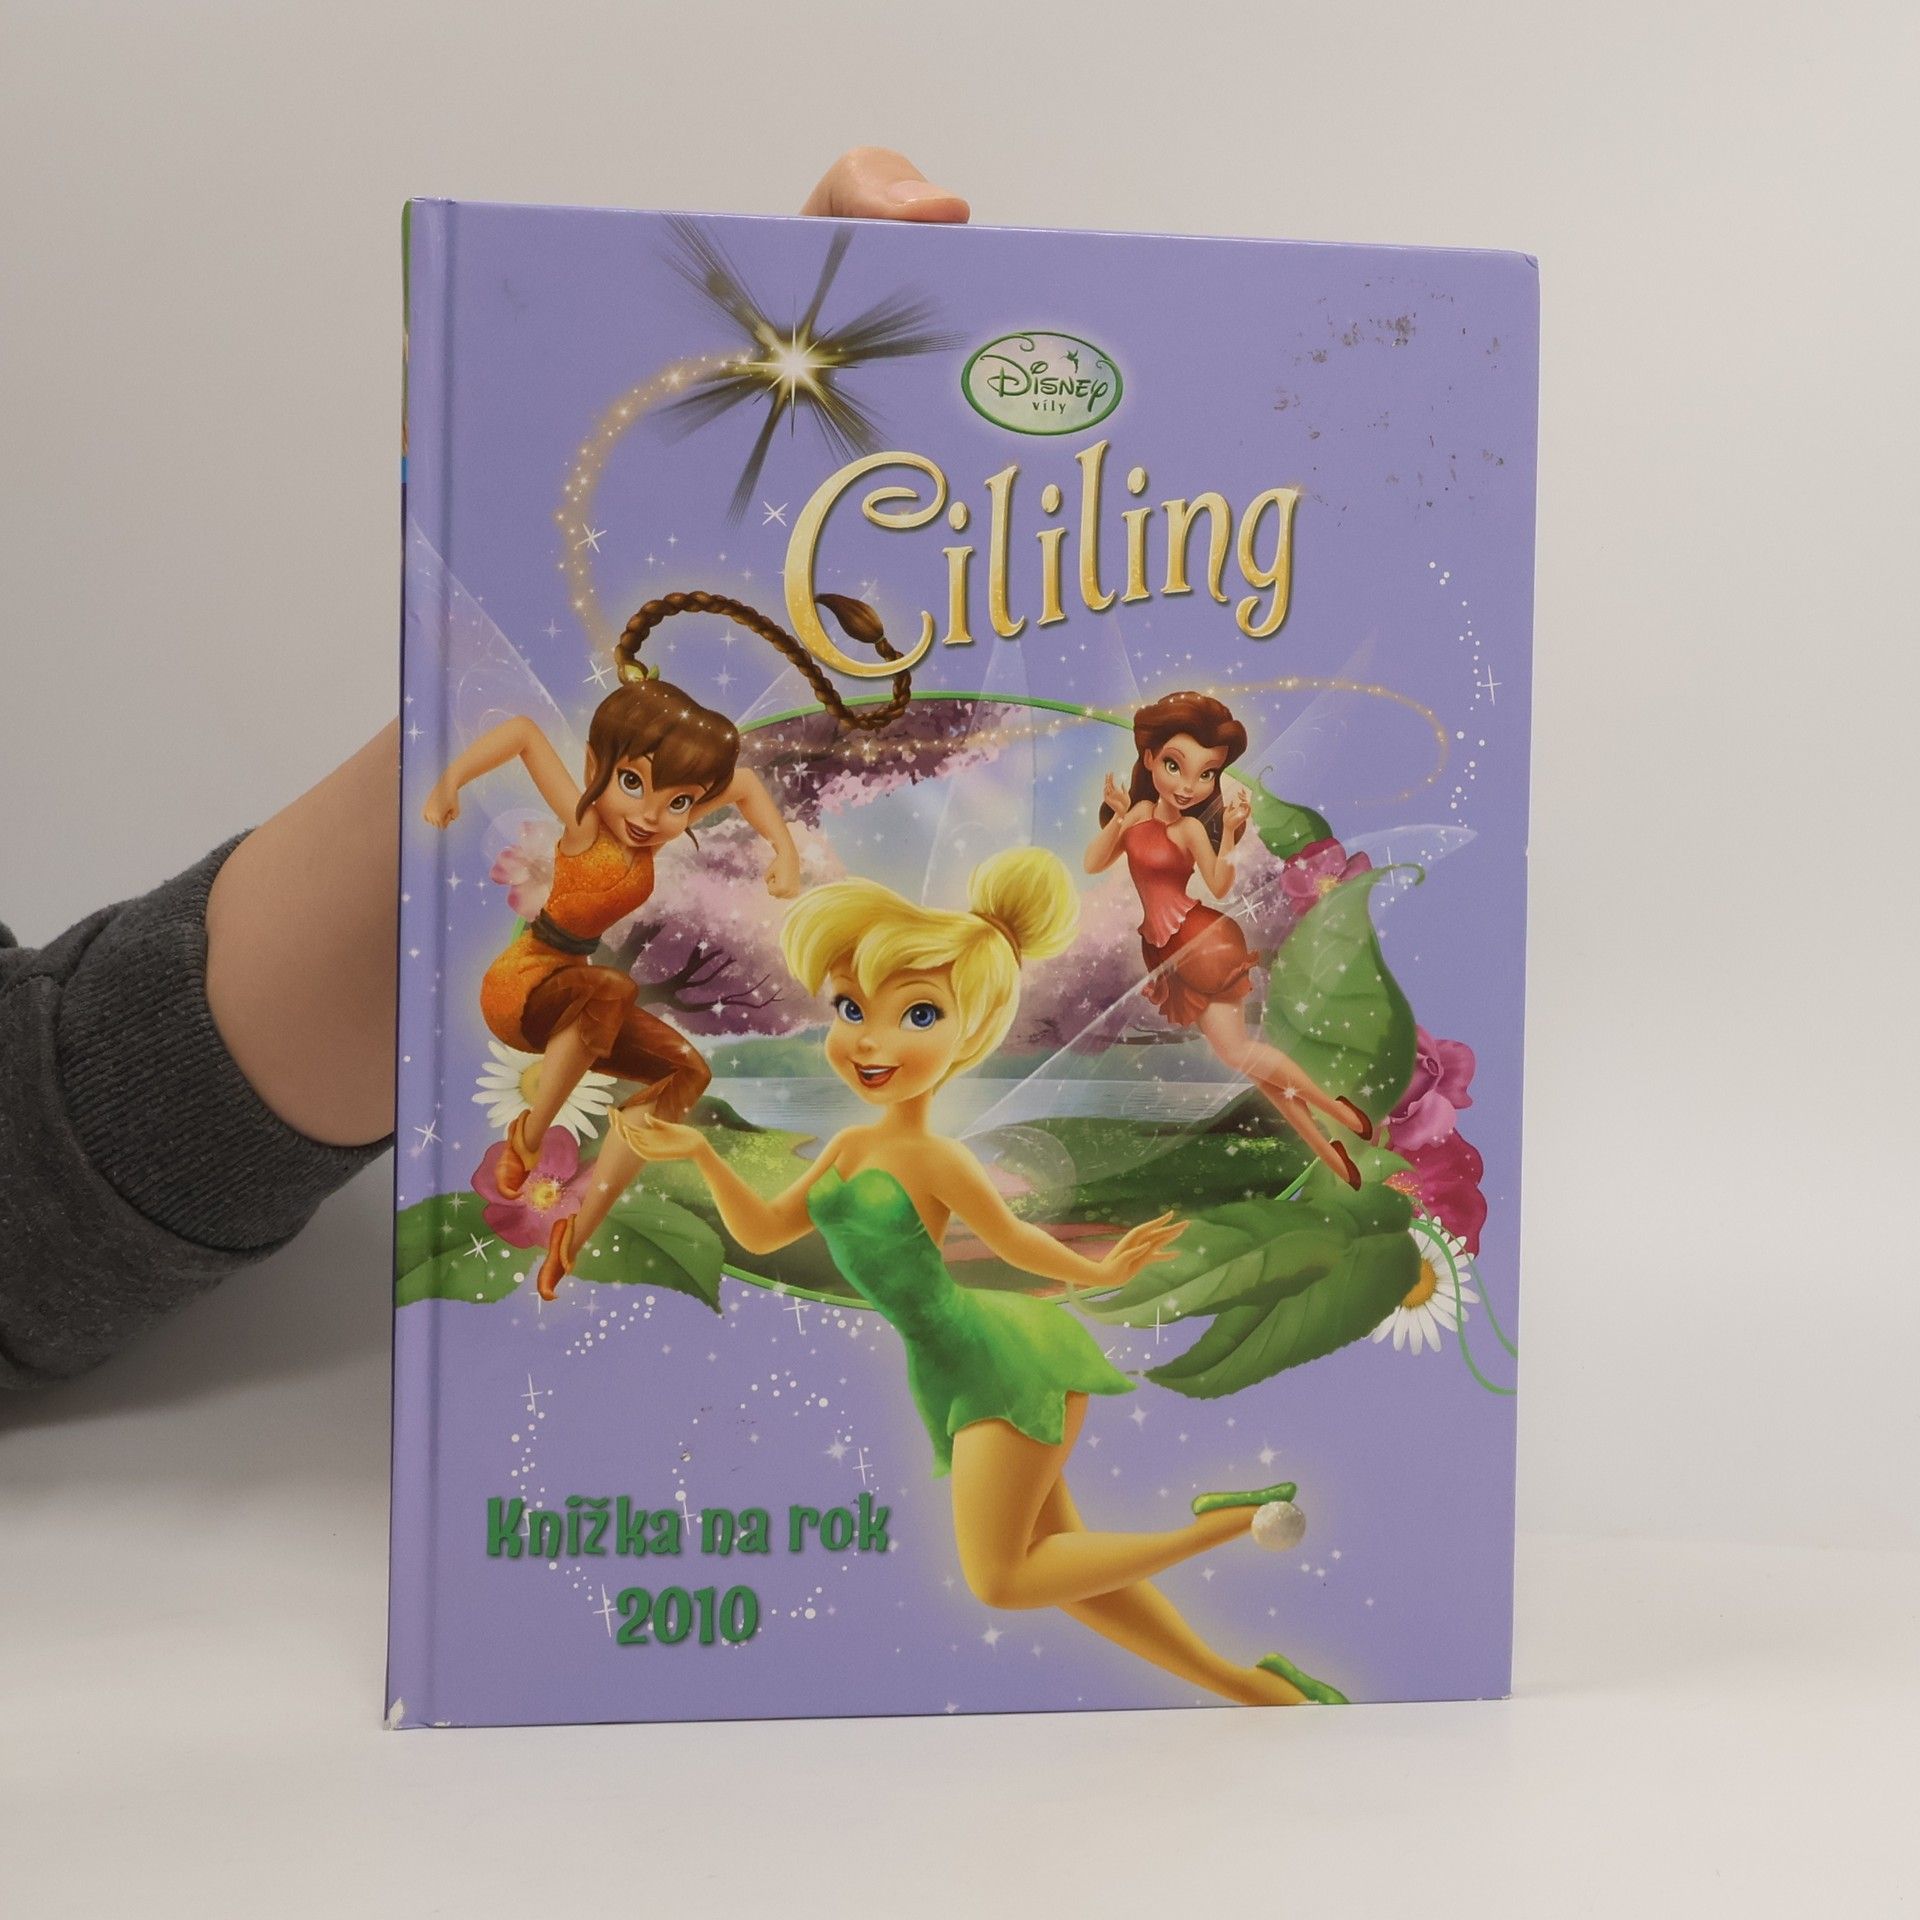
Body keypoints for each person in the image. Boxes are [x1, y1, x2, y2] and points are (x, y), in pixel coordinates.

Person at [0, 148, 970, 1390]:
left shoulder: (658, 817)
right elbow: (517, 735)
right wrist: (452, 777)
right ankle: (525, 1149)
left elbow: (40, 1173)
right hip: (527, 983)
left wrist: (773, 831)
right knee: (607, 1005)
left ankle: (579, 1219)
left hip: (511, 1004)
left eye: (673, 802)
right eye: (643, 788)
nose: (658, 814)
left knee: (676, 1072)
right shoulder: (582, 820)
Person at [624, 849, 1345, 1705]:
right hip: (950, 1367)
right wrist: (702, 1152)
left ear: (967, 1036)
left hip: (997, 1361)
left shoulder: (939, 1158)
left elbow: (1012, 1239)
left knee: (1002, 1580)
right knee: (1063, 1568)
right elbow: (764, 1230)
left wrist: (1097, 1266)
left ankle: (1224, 1525)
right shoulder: (851, 1145)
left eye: (917, 1015)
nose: (869, 1040)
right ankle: (1253, 1689)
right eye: (851, 1008)